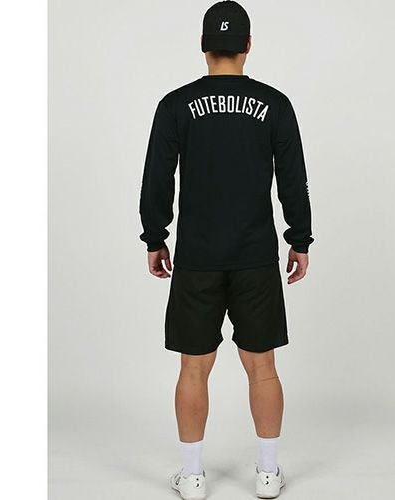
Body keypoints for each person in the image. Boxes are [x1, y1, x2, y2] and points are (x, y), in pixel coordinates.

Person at [139, 1, 314, 498]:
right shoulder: (274, 105)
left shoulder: (175, 105)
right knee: (263, 368)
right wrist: (299, 238)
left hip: (197, 257)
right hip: (255, 256)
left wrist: (155, 237)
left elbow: (156, 178)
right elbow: (293, 179)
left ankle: (193, 477)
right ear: (248, 45)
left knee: (193, 367)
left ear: (203, 46)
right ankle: (267, 473)